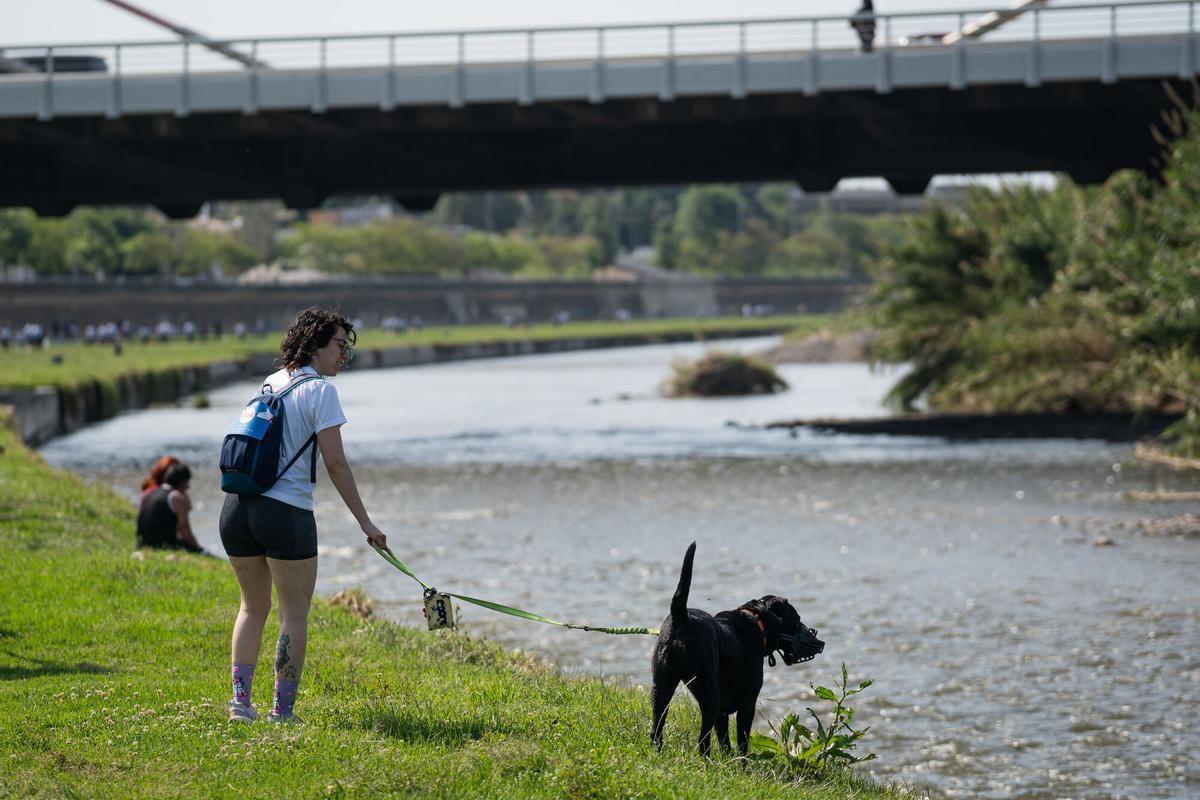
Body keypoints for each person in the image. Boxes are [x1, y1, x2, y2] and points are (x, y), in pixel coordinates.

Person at [218, 307, 388, 725]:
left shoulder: (271, 382)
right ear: (315, 345)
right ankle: (282, 711)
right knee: (293, 614)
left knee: (251, 608)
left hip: (236, 508)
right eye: (339, 346)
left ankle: (241, 705)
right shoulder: (320, 392)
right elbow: (335, 464)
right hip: (284, 513)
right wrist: (365, 522)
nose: (343, 356)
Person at [136, 462, 204, 553]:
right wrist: (198, 548)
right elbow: (184, 530)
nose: (187, 488)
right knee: (203, 552)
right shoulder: (175, 497)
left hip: (144, 543)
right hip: (164, 545)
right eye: (187, 484)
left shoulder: (150, 493)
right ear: (183, 482)